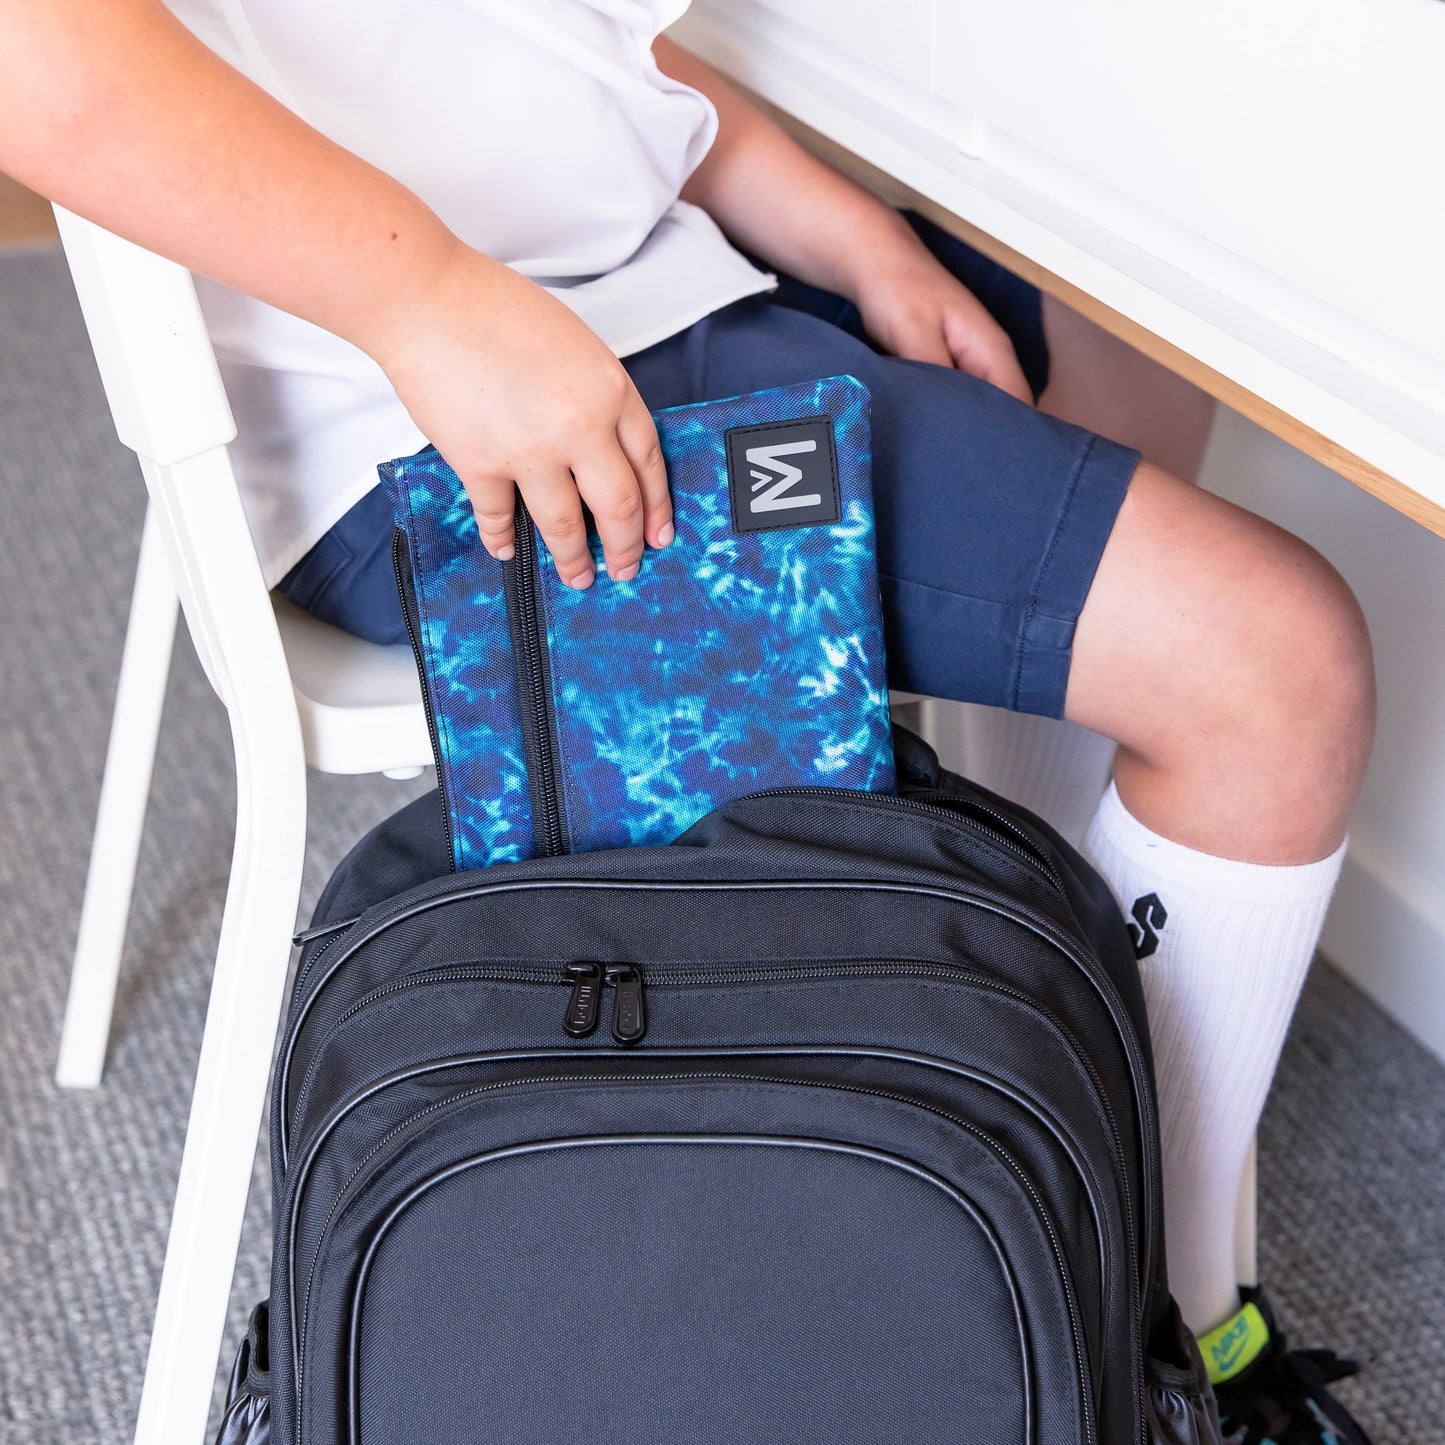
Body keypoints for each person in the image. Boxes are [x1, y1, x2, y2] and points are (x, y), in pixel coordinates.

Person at [1, 1, 1376, 1439]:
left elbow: (593, 54)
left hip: (629, 284)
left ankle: (1042, 1098)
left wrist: (852, 236)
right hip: (443, 391)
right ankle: (1174, 1331)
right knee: (1274, 664)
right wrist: (428, 306)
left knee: (1122, 343)